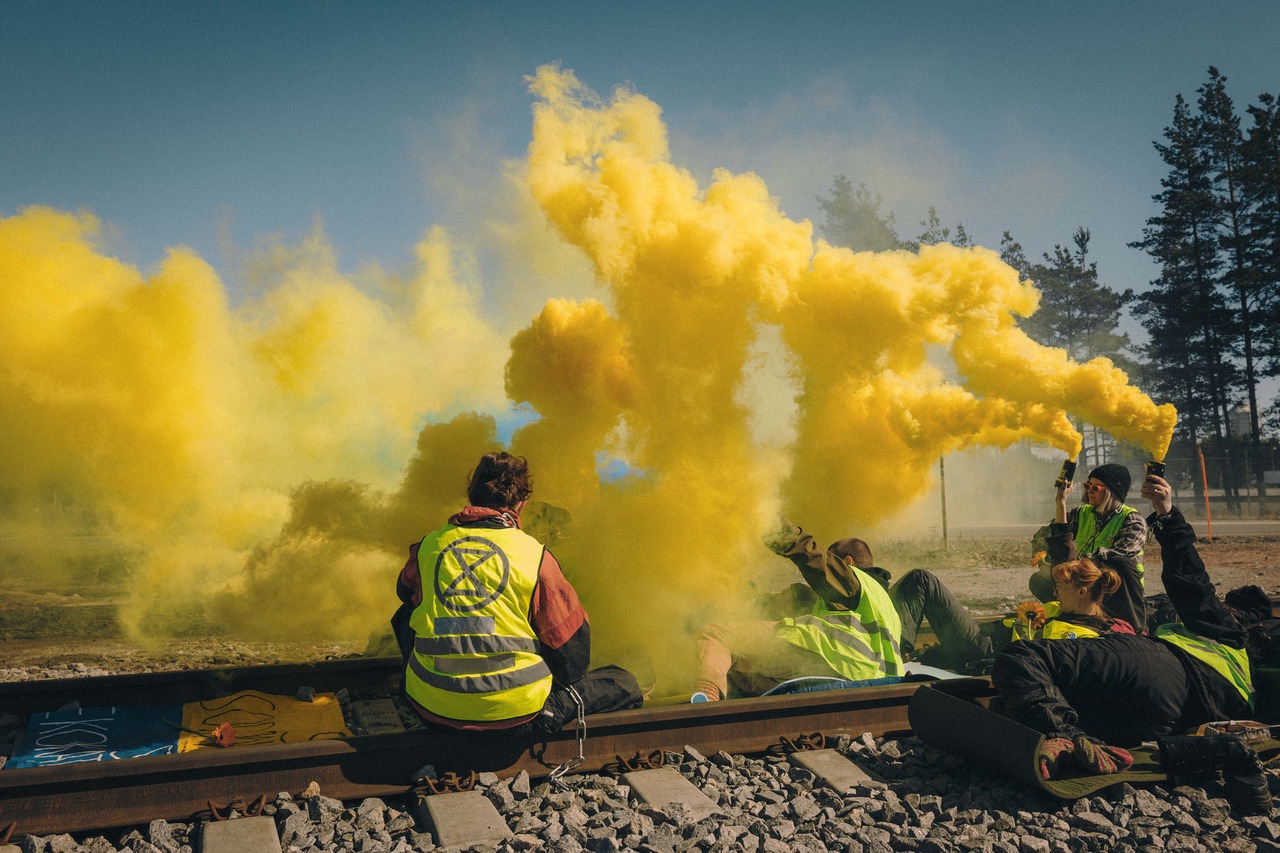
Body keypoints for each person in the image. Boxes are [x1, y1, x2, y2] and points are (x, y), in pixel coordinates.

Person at [991, 474, 1259, 787]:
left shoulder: (1228, 632)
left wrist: (1168, 515)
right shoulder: (1243, 681)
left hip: (1170, 671)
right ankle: (1077, 741)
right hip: (1171, 721)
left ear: (1241, 616)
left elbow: (1190, 581)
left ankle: (1062, 735)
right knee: (1030, 704)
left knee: (1023, 657)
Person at [393, 451, 641, 739]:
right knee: (625, 683)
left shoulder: (429, 545)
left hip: (430, 708)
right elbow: (573, 660)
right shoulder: (534, 556)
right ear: (521, 504)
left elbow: (404, 591)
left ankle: (431, 686)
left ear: (471, 496)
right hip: (517, 718)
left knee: (408, 610)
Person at [693, 522, 905, 700]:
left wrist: (767, 522)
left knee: (717, 635)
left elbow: (809, 553)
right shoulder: (883, 603)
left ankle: (706, 696)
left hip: (830, 658)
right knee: (742, 673)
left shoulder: (851, 581)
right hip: (868, 677)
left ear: (847, 562)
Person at [890, 559, 1133, 672]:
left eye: (1061, 586)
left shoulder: (1079, 635)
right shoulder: (1060, 609)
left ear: (1082, 592)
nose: (1054, 591)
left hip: (984, 650)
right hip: (984, 639)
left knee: (921, 580)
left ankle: (892, 652)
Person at [1030, 463, 1148, 634]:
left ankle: (1136, 632)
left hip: (1115, 589)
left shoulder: (1133, 520)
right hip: (1084, 583)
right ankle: (1070, 613)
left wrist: (1075, 566)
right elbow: (1045, 535)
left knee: (1118, 564)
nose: (1089, 490)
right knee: (1039, 580)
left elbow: (1118, 554)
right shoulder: (1082, 513)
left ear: (1113, 492)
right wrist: (1060, 501)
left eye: (1095, 487)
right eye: (1087, 486)